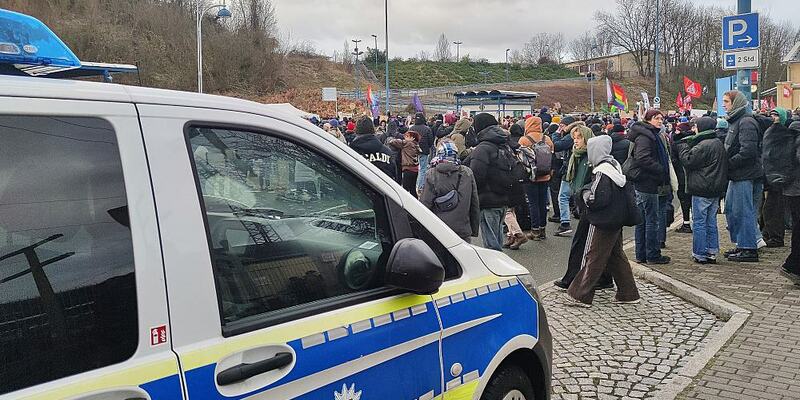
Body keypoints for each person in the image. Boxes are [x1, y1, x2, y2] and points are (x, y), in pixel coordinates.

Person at [566, 135, 641, 307]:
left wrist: (584, 195)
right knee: (615, 255)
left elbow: (597, 198)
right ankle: (628, 293)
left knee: (594, 255)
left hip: (604, 219)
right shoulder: (614, 166)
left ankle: (580, 294)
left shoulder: (602, 171)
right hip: (616, 217)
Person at [676, 116, 728, 264]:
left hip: (701, 188)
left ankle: (700, 253)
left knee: (699, 222)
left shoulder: (704, 145)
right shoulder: (718, 142)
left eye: (696, 126)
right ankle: (712, 251)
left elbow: (688, 161)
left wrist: (683, 147)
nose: (694, 129)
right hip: (715, 188)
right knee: (711, 221)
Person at [722, 90, 763, 262]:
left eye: (726, 101)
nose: (724, 104)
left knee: (743, 211)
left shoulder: (745, 122)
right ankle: (742, 244)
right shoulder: (737, 121)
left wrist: (727, 163)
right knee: (732, 210)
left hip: (745, 175)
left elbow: (747, 151)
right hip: (738, 175)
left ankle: (748, 248)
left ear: (736, 103)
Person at [627, 109, 671, 264]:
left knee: (643, 220)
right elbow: (642, 158)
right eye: (656, 118)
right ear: (648, 119)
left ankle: (642, 254)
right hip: (647, 182)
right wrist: (659, 169)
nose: (660, 121)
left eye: (661, 118)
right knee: (651, 220)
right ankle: (652, 254)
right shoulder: (646, 137)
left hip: (644, 182)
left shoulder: (649, 134)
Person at [466, 113, 514, 250]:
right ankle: (501, 266)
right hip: (503, 198)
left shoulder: (482, 148)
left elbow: (476, 176)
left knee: (491, 244)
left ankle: (496, 269)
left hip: (487, 200)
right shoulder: (504, 144)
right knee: (497, 238)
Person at [419, 142, 480, 242]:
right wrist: (473, 229)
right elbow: (474, 204)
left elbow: (425, 204)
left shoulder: (432, 174)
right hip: (462, 230)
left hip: (439, 230)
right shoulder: (467, 173)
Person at [519, 117, 554, 241]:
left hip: (531, 177)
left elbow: (521, 159)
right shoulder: (547, 139)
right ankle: (543, 229)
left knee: (533, 203)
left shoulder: (524, 140)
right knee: (542, 203)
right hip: (545, 175)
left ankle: (535, 230)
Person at [760, 108, 792, 248]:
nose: (773, 117)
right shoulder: (771, 131)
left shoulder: (782, 134)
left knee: (773, 208)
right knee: (767, 207)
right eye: (772, 114)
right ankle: (768, 233)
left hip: (778, 177)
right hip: (770, 175)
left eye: (777, 115)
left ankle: (775, 236)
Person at [780, 120, 800, 282]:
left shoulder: (787, 139)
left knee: (797, 228)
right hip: (797, 189)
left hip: (791, 190)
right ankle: (793, 265)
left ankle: (792, 264)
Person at [553, 116, 578, 236]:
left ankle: (565, 223)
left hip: (570, 169)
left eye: (562, 126)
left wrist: (556, 134)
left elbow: (557, 145)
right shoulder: (580, 132)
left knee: (563, 197)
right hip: (575, 168)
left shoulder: (571, 136)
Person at [672, 122, 694, 234]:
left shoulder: (677, 143)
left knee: (684, 201)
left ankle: (686, 224)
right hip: (694, 177)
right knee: (693, 201)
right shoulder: (695, 140)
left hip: (682, 176)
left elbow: (675, 161)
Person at [388, 129, 422, 198]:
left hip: (408, 169)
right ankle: (416, 203)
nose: (405, 137)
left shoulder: (407, 143)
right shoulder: (416, 145)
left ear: (412, 138)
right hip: (415, 169)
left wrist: (392, 139)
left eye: (407, 136)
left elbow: (392, 142)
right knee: (412, 188)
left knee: (405, 189)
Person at [412, 113, 434, 194]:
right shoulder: (427, 129)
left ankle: (414, 185)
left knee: (413, 169)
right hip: (424, 151)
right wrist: (427, 147)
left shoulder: (411, 128)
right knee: (423, 169)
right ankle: (420, 186)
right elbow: (430, 141)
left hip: (412, 151)